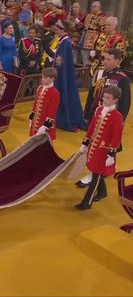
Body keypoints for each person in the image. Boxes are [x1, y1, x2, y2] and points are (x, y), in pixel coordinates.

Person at [76, 49, 131, 189]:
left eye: (108, 59)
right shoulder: (99, 72)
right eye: (104, 58)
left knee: (105, 147)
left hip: (110, 120)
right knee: (93, 145)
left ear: (117, 61)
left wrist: (119, 123)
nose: (104, 61)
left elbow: (124, 104)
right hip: (97, 115)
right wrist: (87, 112)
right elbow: (91, 94)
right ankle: (94, 171)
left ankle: (98, 174)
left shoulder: (122, 79)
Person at [74, 86, 124, 211]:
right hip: (94, 148)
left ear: (115, 100)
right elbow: (91, 127)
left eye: (108, 98)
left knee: (96, 174)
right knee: (96, 171)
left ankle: (87, 202)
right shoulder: (99, 110)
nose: (104, 99)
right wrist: (85, 143)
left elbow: (116, 137)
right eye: (104, 97)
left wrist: (111, 155)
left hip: (104, 151)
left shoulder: (117, 117)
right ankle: (102, 192)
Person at [53, 20, 86, 131]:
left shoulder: (65, 42)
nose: (55, 30)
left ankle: (63, 118)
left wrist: (57, 73)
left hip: (61, 74)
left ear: (62, 29)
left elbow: (60, 61)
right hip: (61, 72)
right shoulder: (63, 41)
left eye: (57, 29)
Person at [29, 67, 60, 140]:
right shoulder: (40, 88)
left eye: (45, 78)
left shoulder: (55, 93)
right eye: (42, 77)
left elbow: (52, 111)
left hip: (45, 124)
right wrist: (31, 119)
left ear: (52, 79)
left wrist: (45, 126)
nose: (42, 79)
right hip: (36, 122)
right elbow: (35, 104)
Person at [78, 0, 106, 66]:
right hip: (85, 37)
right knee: (83, 54)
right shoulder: (89, 15)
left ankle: (89, 70)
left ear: (99, 7)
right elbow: (85, 25)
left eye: (94, 6)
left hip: (94, 39)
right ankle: (84, 68)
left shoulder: (102, 17)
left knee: (91, 56)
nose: (92, 8)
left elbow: (103, 28)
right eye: (92, 6)